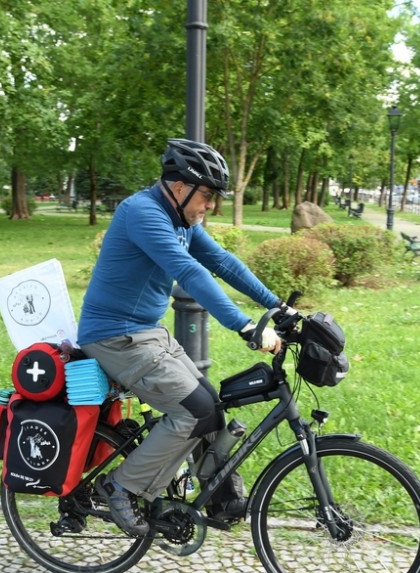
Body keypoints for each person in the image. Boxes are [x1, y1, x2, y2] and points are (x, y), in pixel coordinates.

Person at [77, 138, 284, 538]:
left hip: (147, 334)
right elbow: (189, 272)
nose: (210, 206)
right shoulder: (142, 213)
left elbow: (222, 261)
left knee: (211, 406)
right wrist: (244, 325)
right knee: (194, 411)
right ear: (178, 187)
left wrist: (277, 306)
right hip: (113, 336)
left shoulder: (180, 219)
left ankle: (219, 496)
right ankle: (120, 487)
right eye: (207, 195)